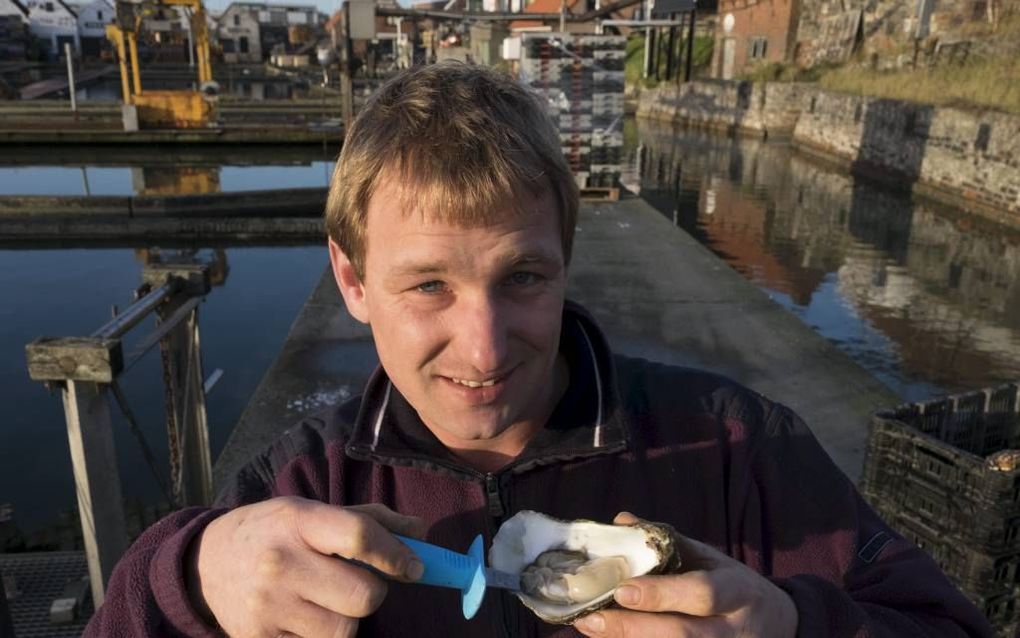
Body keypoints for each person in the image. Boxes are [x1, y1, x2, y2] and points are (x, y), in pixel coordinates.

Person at [85, 61, 992, 638]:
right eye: (428, 284)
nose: (482, 348)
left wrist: (791, 624)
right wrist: (190, 583)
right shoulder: (298, 490)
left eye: (523, 278)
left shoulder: (742, 448)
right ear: (352, 282)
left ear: (566, 260)